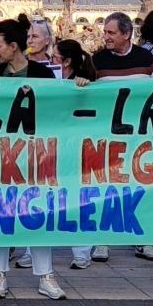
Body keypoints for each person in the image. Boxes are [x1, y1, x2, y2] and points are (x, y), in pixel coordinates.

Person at [0, 19, 65, 300]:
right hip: (0, 153)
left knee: (38, 211)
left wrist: (79, 85)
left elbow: (58, 107)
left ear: (13, 46)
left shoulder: (42, 75)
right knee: (0, 211)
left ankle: (45, 275)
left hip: (35, 154)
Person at [90, 12, 153, 262]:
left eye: (111, 33)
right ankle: (102, 241)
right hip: (108, 136)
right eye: (105, 32)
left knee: (143, 186)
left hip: (141, 136)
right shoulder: (97, 60)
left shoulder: (146, 58)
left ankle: (144, 239)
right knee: (106, 186)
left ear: (127, 34)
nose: (106, 37)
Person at [54, 38, 98, 270]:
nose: (52, 61)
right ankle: (32, 250)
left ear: (67, 61)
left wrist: (84, 87)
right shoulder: (48, 79)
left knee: (80, 197)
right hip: (52, 146)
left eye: (55, 57)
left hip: (78, 148)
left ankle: (82, 252)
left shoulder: (84, 82)